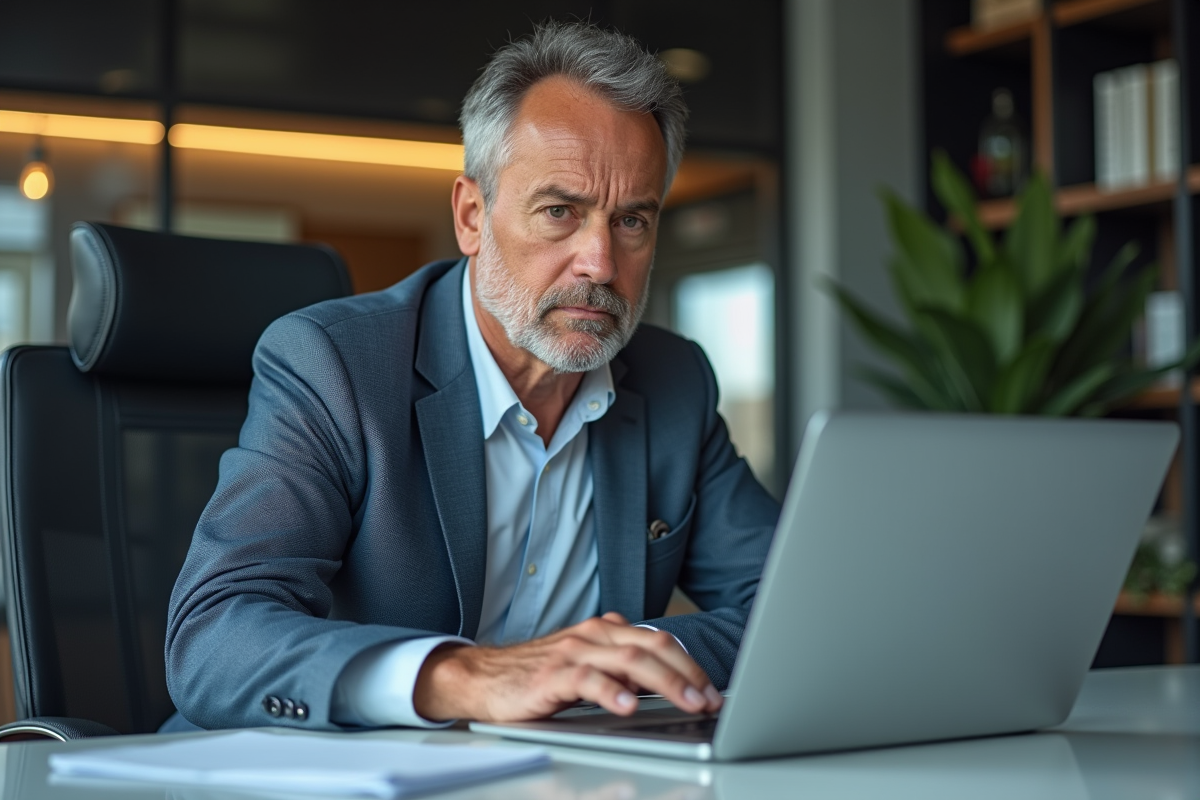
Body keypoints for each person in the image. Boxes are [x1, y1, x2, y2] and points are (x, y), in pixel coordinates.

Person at [164, 20, 779, 732]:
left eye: (632, 221)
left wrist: (624, 658)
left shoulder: (675, 381)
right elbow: (213, 637)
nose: (600, 264)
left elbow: (793, 605)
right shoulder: (334, 365)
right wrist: (460, 677)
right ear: (471, 216)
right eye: (559, 212)